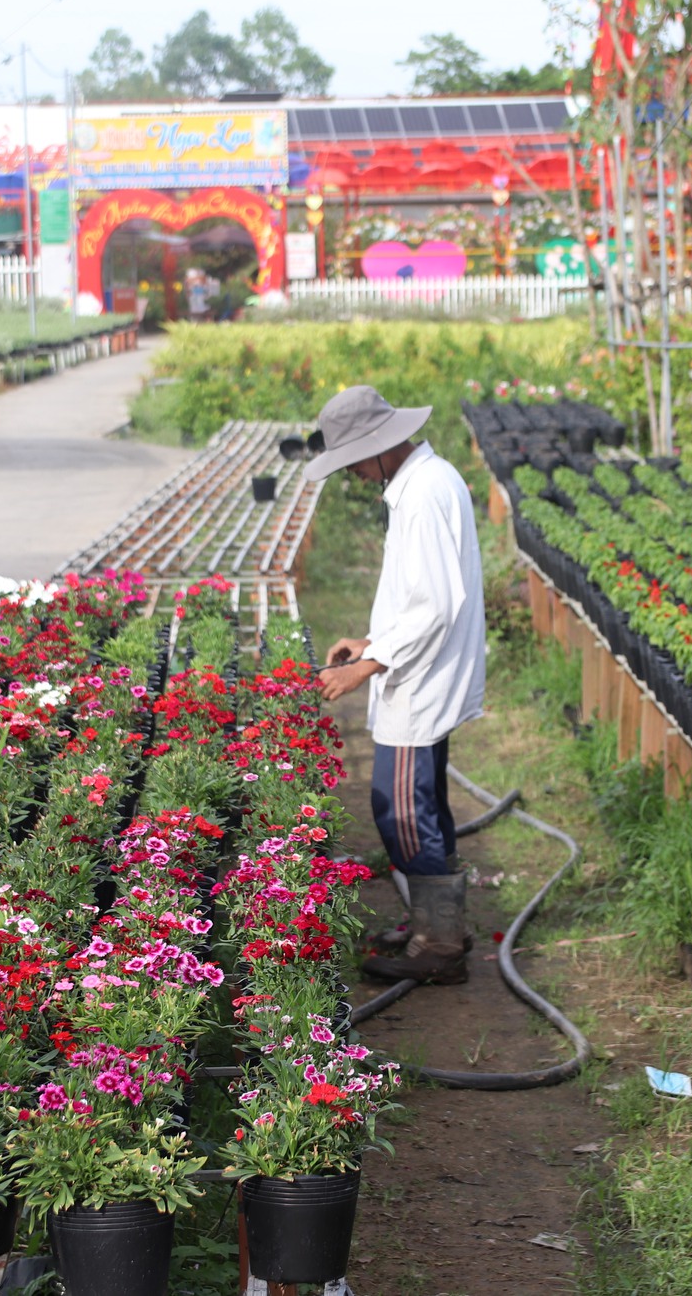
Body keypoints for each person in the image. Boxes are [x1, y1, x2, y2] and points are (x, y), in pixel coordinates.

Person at [300, 386, 486, 984]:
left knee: (401, 810)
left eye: (354, 460)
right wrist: (369, 642)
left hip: (420, 680)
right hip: (418, 670)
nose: (353, 473)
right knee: (422, 803)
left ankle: (440, 947)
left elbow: (432, 607)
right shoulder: (420, 484)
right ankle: (437, 926)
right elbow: (418, 595)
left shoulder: (425, 493)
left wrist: (366, 668)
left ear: (380, 446)